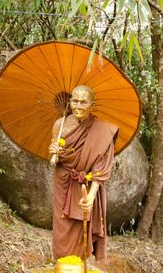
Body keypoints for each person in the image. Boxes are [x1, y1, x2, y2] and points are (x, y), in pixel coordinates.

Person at [49, 85, 118, 263]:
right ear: (70, 101)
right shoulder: (60, 124)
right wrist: (54, 152)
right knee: (62, 226)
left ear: (92, 104)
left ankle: (79, 264)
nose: (78, 106)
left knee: (82, 225)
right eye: (75, 101)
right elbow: (54, 158)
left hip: (86, 185)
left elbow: (101, 165)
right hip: (63, 180)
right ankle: (62, 264)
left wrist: (92, 195)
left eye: (83, 102)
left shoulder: (102, 131)